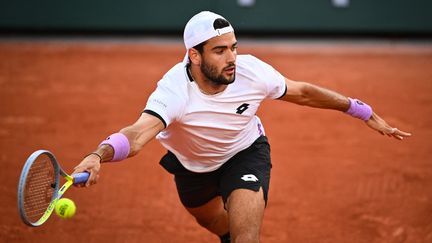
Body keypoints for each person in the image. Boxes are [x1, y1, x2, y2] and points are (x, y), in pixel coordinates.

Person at [73, 11, 411, 243]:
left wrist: (362, 111)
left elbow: (303, 93)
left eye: (233, 47)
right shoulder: (174, 90)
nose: (232, 57)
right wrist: (97, 154)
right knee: (214, 224)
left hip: (245, 154)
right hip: (193, 168)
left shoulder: (251, 71)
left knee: (246, 235)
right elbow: (138, 133)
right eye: (220, 51)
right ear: (194, 55)